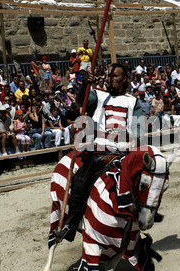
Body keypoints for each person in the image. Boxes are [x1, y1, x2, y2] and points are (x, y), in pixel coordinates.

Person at [54, 62, 145, 242]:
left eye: (115, 76)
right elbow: (81, 101)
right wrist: (85, 85)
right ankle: (71, 226)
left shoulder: (133, 102)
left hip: (124, 154)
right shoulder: (98, 95)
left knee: (147, 181)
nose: (111, 79)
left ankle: (140, 224)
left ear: (124, 78)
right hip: (100, 153)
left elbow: (138, 128)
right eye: (109, 76)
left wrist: (136, 139)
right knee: (80, 181)